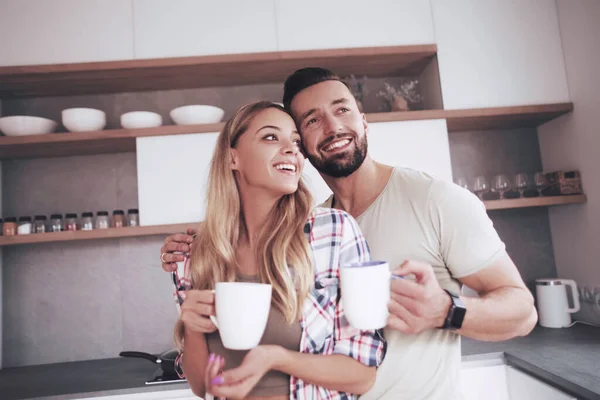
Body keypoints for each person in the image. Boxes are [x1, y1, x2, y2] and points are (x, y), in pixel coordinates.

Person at [162, 68, 538, 400]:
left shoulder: (433, 199)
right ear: (303, 148)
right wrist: (198, 251)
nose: (332, 126)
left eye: (342, 109)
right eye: (311, 121)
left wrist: (447, 311)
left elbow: (522, 313)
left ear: (363, 120)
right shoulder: (311, 227)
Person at [169, 101, 385, 400]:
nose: (292, 150)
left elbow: (362, 376)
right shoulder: (195, 254)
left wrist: (277, 358)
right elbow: (200, 386)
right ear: (233, 158)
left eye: (296, 142)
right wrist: (192, 328)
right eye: (271, 137)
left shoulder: (333, 233)